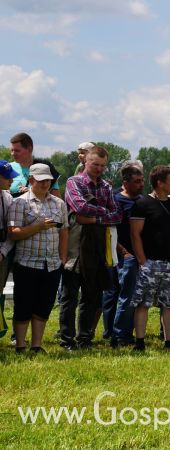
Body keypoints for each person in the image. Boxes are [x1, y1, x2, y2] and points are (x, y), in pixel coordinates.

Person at [64, 146, 122, 349]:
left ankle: (85, 338)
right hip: (75, 246)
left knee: (92, 295)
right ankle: (67, 340)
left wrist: (93, 218)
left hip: (97, 247)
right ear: (85, 162)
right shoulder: (74, 182)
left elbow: (118, 215)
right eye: (95, 164)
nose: (98, 169)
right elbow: (79, 208)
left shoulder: (106, 186)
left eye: (102, 165)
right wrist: (103, 214)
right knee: (70, 296)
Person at [8, 163, 68, 353]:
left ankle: (36, 345)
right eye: (41, 181)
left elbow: (64, 231)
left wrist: (62, 257)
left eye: (48, 180)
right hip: (26, 262)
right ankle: (20, 345)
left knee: (44, 306)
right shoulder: (19, 203)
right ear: (31, 180)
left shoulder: (59, 203)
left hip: (51, 264)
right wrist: (38, 226)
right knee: (23, 305)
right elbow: (13, 233)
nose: (45, 184)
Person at [129, 165, 170, 351]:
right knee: (143, 303)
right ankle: (140, 342)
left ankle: (169, 342)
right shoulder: (142, 204)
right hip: (151, 263)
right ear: (159, 183)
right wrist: (142, 261)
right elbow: (135, 234)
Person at [101, 162, 144, 348]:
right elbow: (110, 230)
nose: (141, 184)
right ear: (125, 182)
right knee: (125, 297)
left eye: (142, 181)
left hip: (141, 256)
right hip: (124, 257)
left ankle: (128, 332)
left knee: (136, 297)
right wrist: (123, 252)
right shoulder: (116, 201)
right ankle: (119, 336)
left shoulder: (142, 201)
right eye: (136, 181)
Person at [9, 132, 60, 197]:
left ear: (30, 149)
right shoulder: (7, 168)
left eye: (17, 151)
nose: (13, 153)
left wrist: (33, 194)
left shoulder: (44, 170)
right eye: (12, 150)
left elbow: (56, 200)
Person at [0, 161, 17, 340]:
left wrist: (3, 251)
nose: (11, 181)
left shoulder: (8, 198)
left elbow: (11, 231)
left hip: (3, 251)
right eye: (7, 177)